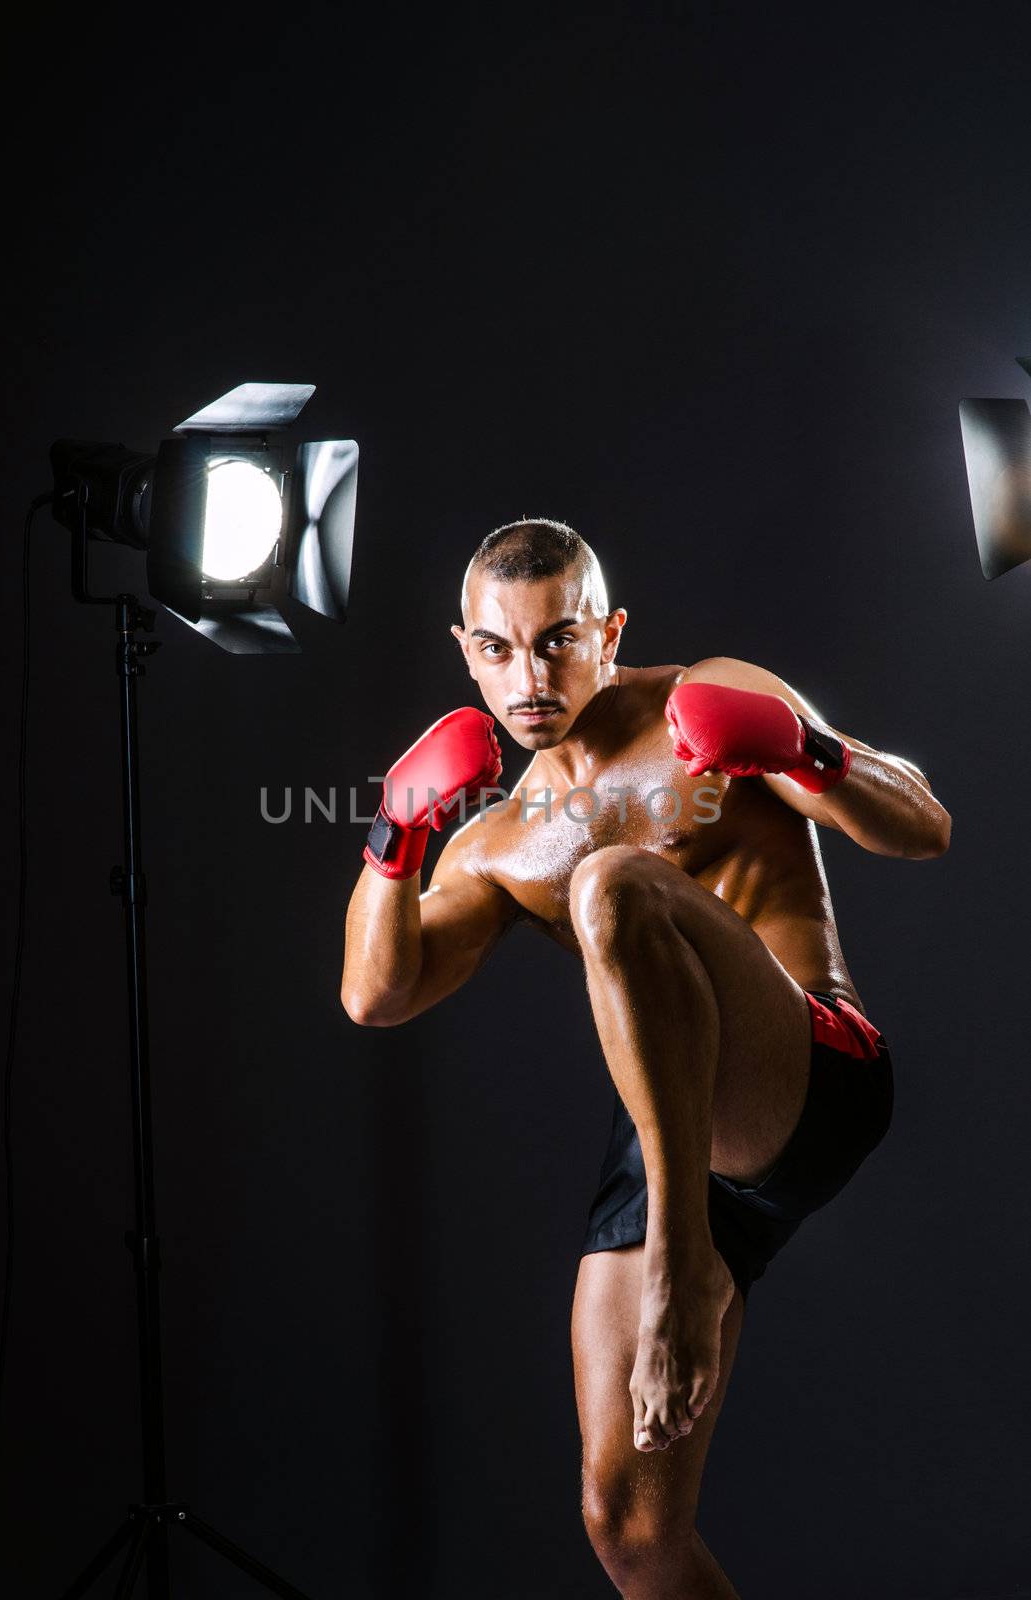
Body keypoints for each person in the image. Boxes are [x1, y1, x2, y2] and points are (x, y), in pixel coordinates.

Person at [340, 519, 951, 1599]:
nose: (527, 677)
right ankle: (682, 1240)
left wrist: (807, 748)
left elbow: (923, 827)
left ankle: (682, 1261)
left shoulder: (701, 702)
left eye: (557, 640)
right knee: (627, 1527)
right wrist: (397, 831)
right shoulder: (500, 841)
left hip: (810, 1066)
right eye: (497, 648)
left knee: (611, 884)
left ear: (609, 632)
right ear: (465, 650)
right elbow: (375, 993)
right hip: (671, 1133)